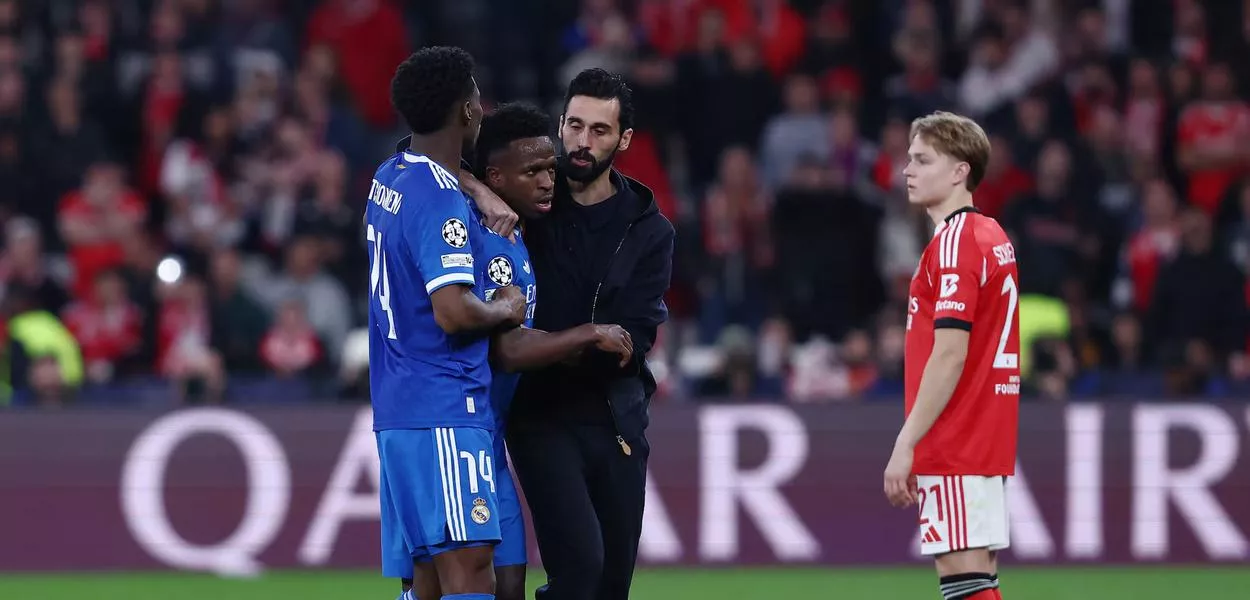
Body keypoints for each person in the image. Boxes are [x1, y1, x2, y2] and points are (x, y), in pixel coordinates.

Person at [405, 101, 636, 600]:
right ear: (496, 177)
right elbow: (506, 351)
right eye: (532, 172)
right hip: (451, 426)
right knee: (443, 584)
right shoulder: (488, 239)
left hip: (487, 436)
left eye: (550, 169)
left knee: (507, 584)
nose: (548, 182)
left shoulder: (526, 225)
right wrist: (587, 334)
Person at [465, 68, 674, 600]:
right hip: (541, 415)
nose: (581, 143)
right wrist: (480, 193)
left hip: (615, 419)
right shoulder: (532, 188)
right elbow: (422, 154)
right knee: (579, 572)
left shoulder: (648, 228)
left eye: (599, 131)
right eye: (574, 125)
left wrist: (561, 346)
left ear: (624, 140)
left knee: (609, 586)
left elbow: (633, 341)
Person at [366, 46, 527, 600]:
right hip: (444, 407)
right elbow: (453, 311)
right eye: (476, 97)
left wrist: (476, 186)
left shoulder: (390, 176)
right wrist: (508, 307)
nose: (482, 107)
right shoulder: (438, 200)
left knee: (428, 579)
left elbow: (434, 174)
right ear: (465, 111)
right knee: (470, 571)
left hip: (398, 409)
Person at [884, 111, 1021, 600]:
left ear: (960, 170)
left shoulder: (955, 243)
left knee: (964, 583)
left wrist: (907, 442)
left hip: (956, 436)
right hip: (984, 432)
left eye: (922, 160)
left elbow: (949, 354)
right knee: (978, 579)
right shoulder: (991, 236)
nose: (908, 170)